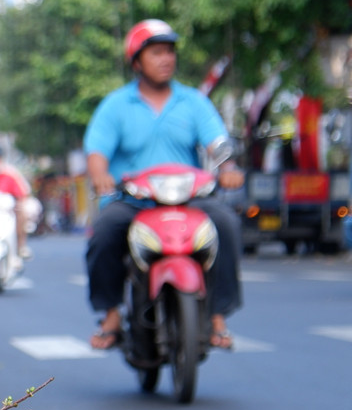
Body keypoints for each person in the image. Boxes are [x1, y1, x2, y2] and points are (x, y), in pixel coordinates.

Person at [84, 19, 244, 351]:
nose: (166, 59)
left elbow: (217, 144)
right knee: (103, 232)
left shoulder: (193, 102)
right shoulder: (115, 105)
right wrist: (100, 176)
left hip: (188, 198)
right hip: (133, 199)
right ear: (136, 61)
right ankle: (110, 314)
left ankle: (218, 316)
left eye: (170, 52)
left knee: (226, 224)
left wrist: (228, 167)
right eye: (156, 52)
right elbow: (97, 152)